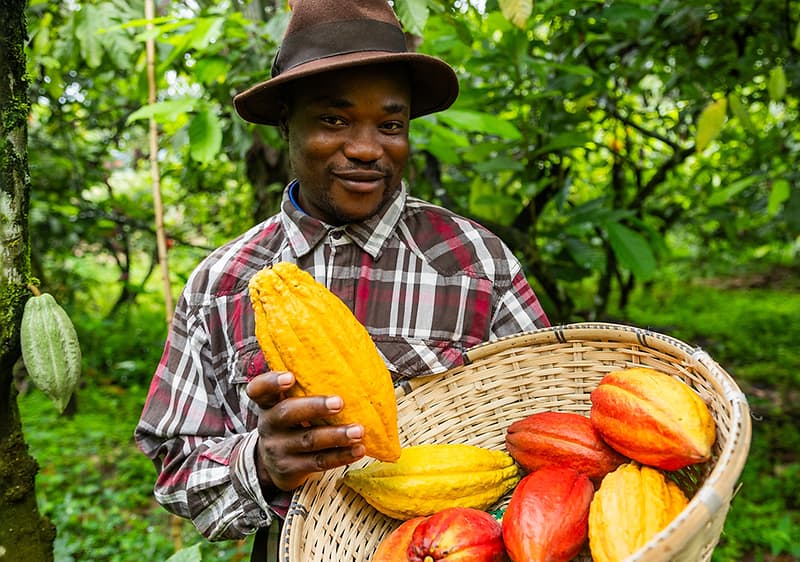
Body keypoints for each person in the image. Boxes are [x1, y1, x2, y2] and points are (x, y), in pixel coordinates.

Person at [135, 0, 550, 559]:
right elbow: (177, 465)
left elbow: (548, 428)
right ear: (286, 120)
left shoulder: (475, 262)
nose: (365, 148)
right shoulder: (222, 283)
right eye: (334, 120)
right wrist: (262, 464)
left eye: (390, 124)